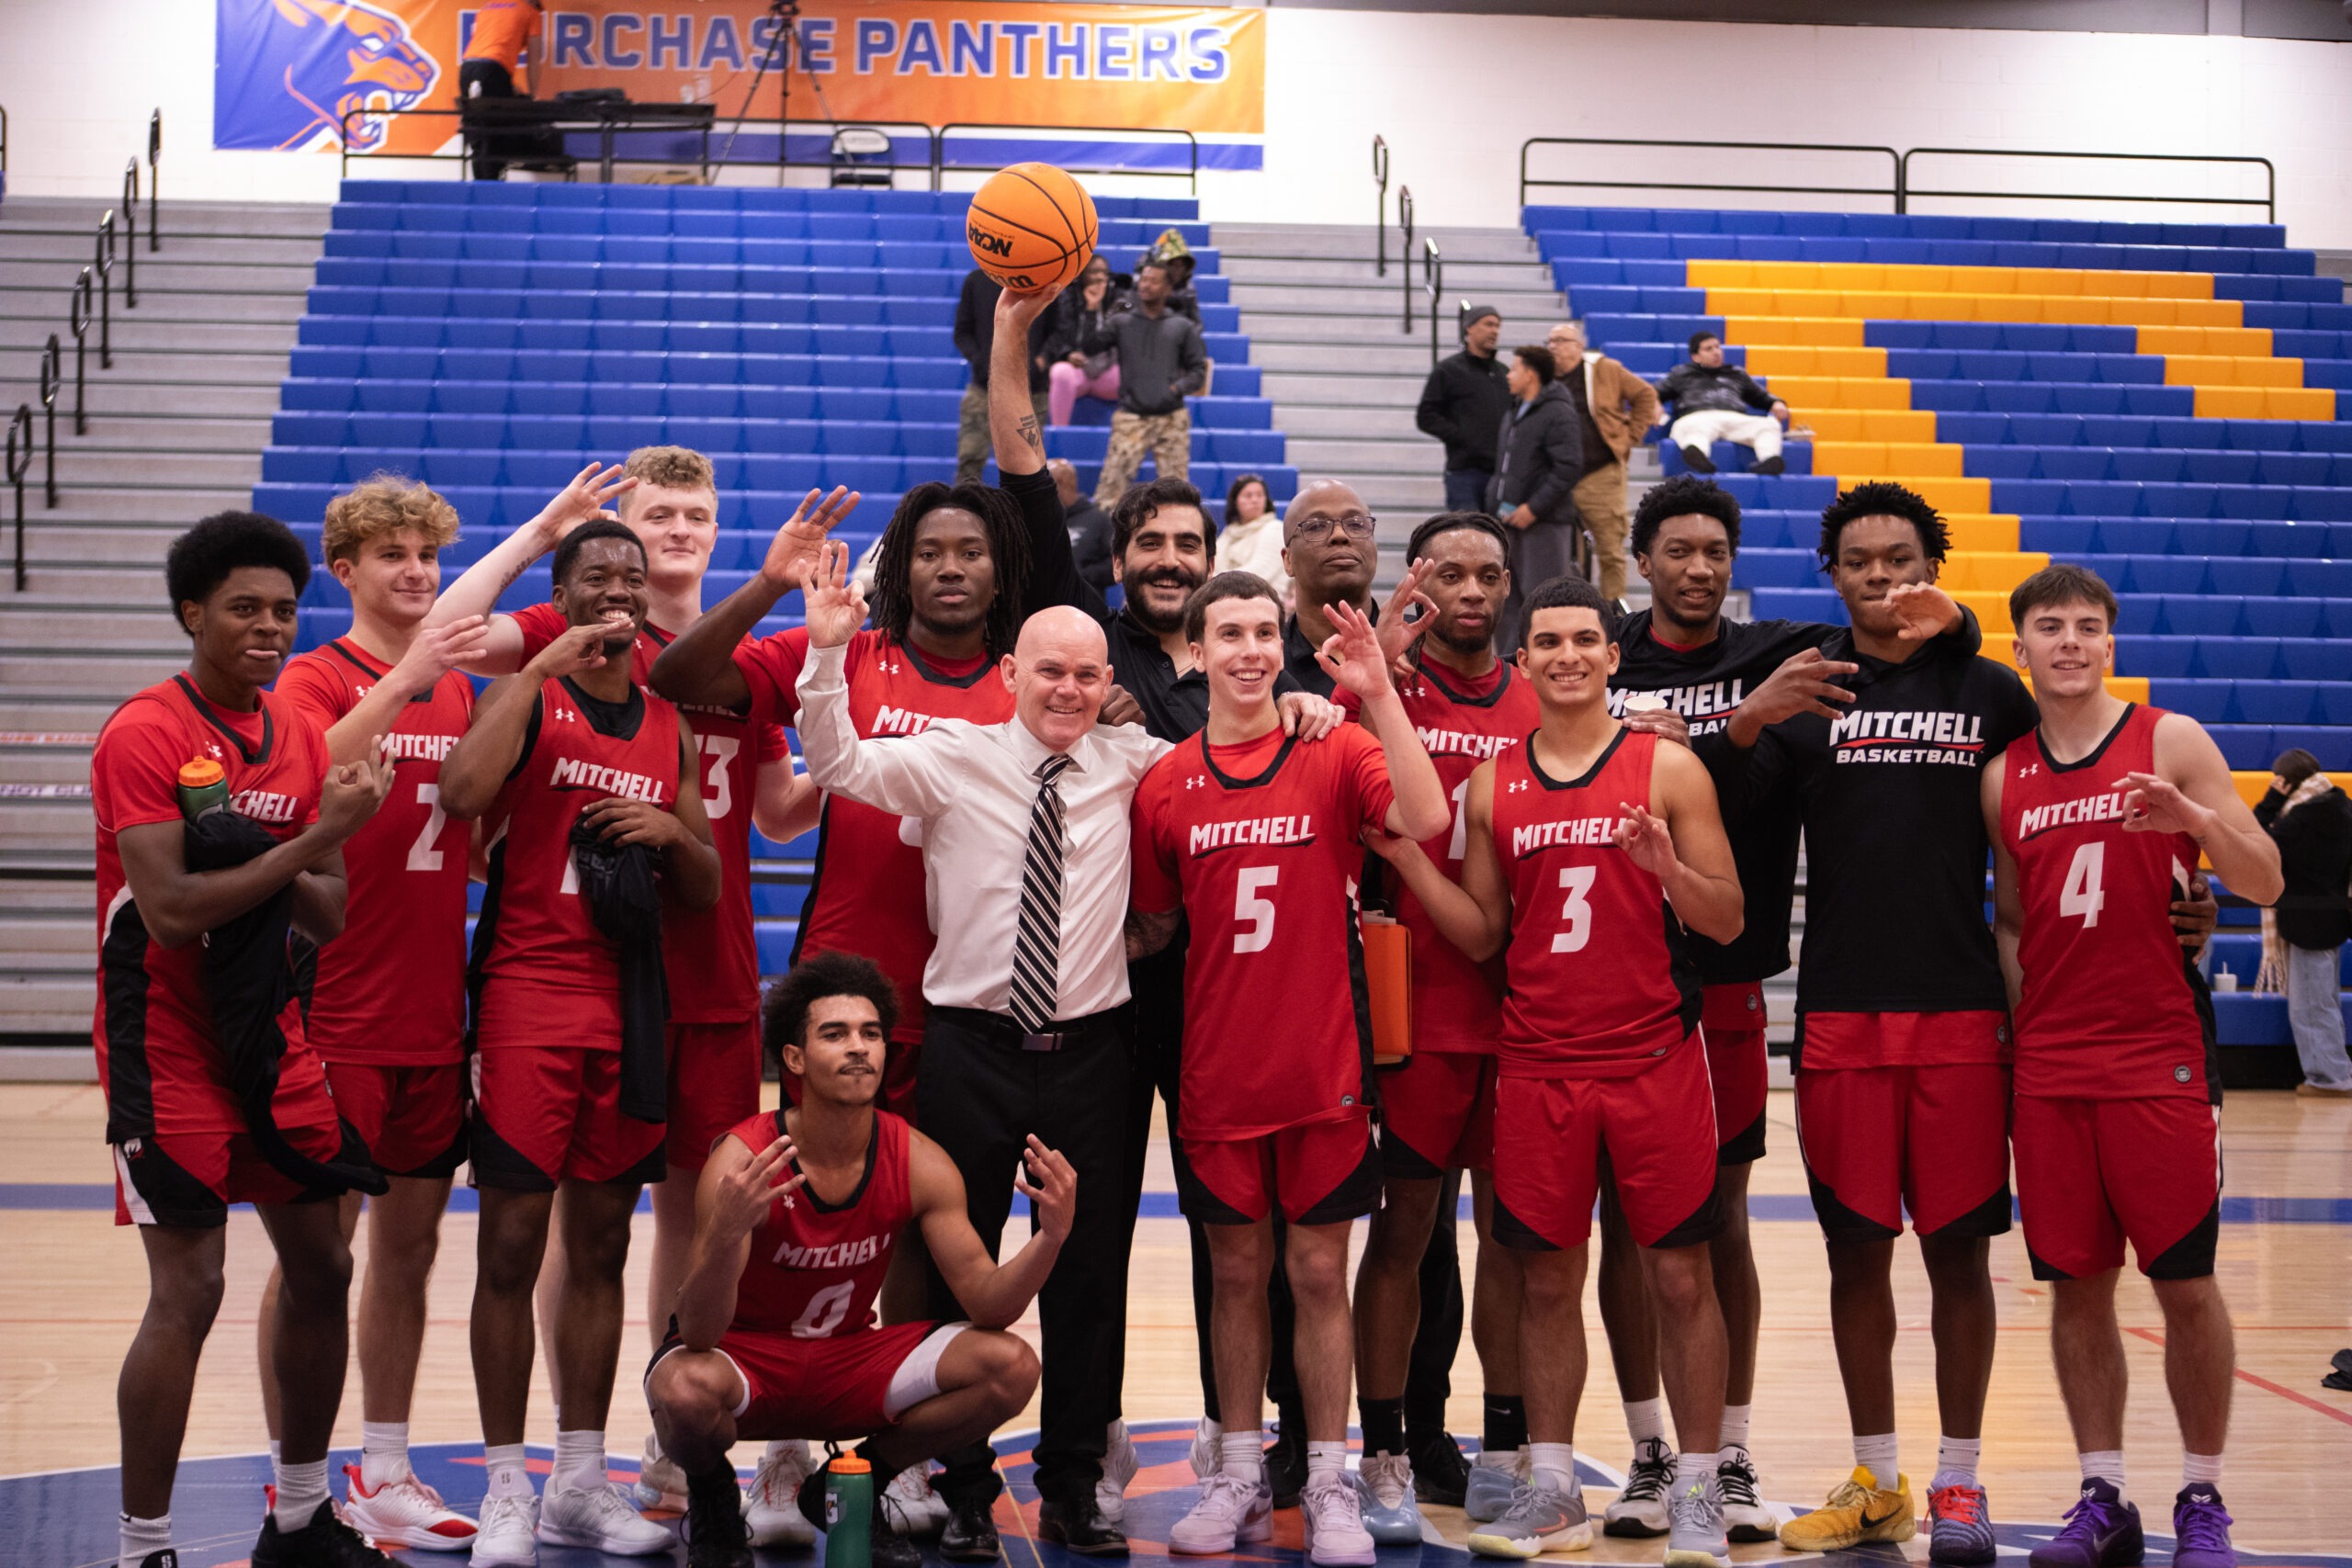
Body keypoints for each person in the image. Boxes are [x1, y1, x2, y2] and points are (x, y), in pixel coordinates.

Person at [421, 451, 824, 1530]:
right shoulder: (561, 654)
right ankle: (554, 1461)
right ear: (615, 540)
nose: (678, 531)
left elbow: (779, 810)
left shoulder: (736, 673)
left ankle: (654, 1448)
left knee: (686, 1224)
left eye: (696, 513)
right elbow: (448, 652)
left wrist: (854, 717)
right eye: (657, 515)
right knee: (547, 1230)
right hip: (569, 977)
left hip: (705, 973)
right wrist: (545, 532)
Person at [1594, 473, 1971, 1547]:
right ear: (1646, 559)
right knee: (1623, 1224)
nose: (1699, 566)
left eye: (1717, 550)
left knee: (1715, 1222)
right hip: (1608, 983)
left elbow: (1919, 631)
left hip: (1720, 984)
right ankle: (1649, 1452)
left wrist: (1968, 613)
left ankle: (1735, 1447)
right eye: (1679, 549)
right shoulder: (1601, 654)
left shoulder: (1783, 655)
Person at [787, 547, 1162, 1557]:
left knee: (1089, 1269)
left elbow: (1235, 767)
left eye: (1088, 674)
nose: (1069, 689)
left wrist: (1310, 710)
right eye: (1049, 670)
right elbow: (835, 764)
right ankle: (960, 1481)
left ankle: (1075, 1480)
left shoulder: (1134, 765)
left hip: (1089, 1053)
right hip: (969, 1046)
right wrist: (827, 655)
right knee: (957, 1272)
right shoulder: (953, 753)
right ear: (1009, 675)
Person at [1364, 573, 1745, 1567]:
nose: (1568, 655)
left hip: (1653, 1057)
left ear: (1613, 658)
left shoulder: (1666, 770)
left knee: (1678, 1275)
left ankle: (1699, 1488)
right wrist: (1411, 870)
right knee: (1543, 1280)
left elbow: (1729, 917)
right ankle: (1552, 1487)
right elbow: (1486, 934)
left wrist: (1668, 870)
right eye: (1550, 642)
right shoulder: (1493, 783)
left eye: (1586, 639)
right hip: (1537, 1066)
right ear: (1523, 662)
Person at [1722, 482, 2033, 1559]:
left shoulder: (1993, 690)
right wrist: (1749, 717)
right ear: (1831, 570)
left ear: (1931, 566)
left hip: (1960, 1012)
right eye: (1858, 559)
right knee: (1856, 1256)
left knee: (1958, 1257)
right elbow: (1722, 804)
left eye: (1900, 558)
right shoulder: (1809, 688)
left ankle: (1958, 1483)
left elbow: (2061, 802)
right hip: (1840, 1014)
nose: (1879, 576)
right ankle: (1878, 1477)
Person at [95, 511, 398, 1568]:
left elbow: (329, 913)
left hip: (272, 1035)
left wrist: (313, 850)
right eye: (244, 609)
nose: (270, 628)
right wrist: (317, 837)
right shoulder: (145, 732)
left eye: (283, 610)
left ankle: (304, 1519)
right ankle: (144, 1547)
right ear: (193, 614)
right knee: (193, 1289)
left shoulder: (302, 736)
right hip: (166, 1043)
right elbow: (173, 910)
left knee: (323, 1266)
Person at [1126, 571, 1450, 1565]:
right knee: (1234, 1274)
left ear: (1283, 644)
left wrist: (1380, 691)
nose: (1250, 650)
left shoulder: (1334, 746)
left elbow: (1428, 820)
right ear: (1198, 650)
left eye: (1264, 632)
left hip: (1325, 1071)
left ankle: (1325, 1478)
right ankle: (1233, 1471)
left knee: (1318, 1272)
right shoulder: (1165, 781)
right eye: (1229, 634)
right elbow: (1151, 927)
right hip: (1219, 1071)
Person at [437, 519, 721, 1567]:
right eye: (596, 576)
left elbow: (706, 886)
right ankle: (507, 1481)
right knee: (512, 1244)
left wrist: (672, 836)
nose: (618, 590)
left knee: (604, 1244)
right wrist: (538, 666)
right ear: (559, 596)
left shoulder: (665, 725)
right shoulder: (534, 695)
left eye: (632, 578)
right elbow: (461, 795)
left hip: (627, 1000)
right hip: (526, 994)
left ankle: (579, 1476)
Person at [1989, 564, 2281, 1568]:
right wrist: (2021, 1034)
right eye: (2047, 627)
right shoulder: (2005, 777)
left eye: (2086, 628)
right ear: (2017, 645)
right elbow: (2017, 925)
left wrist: (2191, 822)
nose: (2068, 642)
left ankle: (2201, 1497)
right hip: (2051, 1064)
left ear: (2109, 643)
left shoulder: (2172, 740)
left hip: (2157, 1054)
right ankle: (2101, 1492)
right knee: (2074, 1286)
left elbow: (2264, 879)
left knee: (2185, 1283)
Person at [644, 953, 1077, 1568]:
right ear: (794, 1058)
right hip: (750, 1359)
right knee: (681, 1386)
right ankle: (715, 1500)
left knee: (1009, 1366)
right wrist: (723, 1234)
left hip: (848, 1358)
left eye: (871, 1034)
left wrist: (1050, 1237)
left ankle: (861, 1478)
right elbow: (700, 1331)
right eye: (835, 1033)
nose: (859, 1048)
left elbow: (989, 1303)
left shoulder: (918, 1158)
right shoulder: (746, 1159)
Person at [264, 479, 492, 1551]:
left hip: (431, 1013)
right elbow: (303, 786)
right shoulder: (311, 680)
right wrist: (411, 674)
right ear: (343, 571)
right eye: (389, 554)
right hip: (335, 1015)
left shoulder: (459, 693)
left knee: (410, 1253)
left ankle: (388, 1464)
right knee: (318, 1261)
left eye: (425, 554)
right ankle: (293, 1475)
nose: (413, 570)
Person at [1346, 513, 1540, 1539]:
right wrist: (1372, 661)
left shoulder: (1535, 693)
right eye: (1450, 573)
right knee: (1405, 1233)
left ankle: (1503, 1442)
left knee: (1511, 1238)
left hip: (1524, 1005)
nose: (1470, 590)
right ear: (1421, 580)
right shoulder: (1386, 689)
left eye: (1488, 574)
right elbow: (1322, 752)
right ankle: (1381, 1448)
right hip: (1413, 999)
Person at [2256, 747, 2352, 1097]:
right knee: (2324, 1002)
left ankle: (2330, 1079)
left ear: (2286, 782)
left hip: (2307, 922)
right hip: (2332, 918)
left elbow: (2253, 841)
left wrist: (2269, 801)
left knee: (2310, 1006)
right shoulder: (2341, 805)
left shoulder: (2300, 819)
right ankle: (2335, 1071)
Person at [1543, 322, 1659, 602]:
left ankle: (1613, 616)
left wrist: (1629, 437)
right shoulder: (1544, 379)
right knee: (1567, 554)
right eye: (1550, 341)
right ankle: (1571, 608)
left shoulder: (1604, 369)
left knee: (1610, 550)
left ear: (1578, 347)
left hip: (1601, 473)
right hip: (1558, 477)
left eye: (1560, 340)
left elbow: (1646, 395)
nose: (1553, 346)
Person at [1085, 258, 1209, 506]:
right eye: (1143, 279)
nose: (1146, 285)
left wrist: (1175, 389)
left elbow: (1198, 370)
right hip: (1131, 416)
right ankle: (1106, 543)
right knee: (1109, 493)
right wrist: (1092, 309)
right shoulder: (1122, 322)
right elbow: (1090, 345)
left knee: (1178, 495)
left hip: (1171, 418)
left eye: (1153, 280)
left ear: (1167, 288)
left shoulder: (1181, 326)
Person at [1487, 347, 1586, 654]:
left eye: (1514, 369)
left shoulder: (1558, 412)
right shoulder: (1515, 410)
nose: (1508, 375)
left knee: (1544, 602)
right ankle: (1508, 668)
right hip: (1508, 521)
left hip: (1543, 523)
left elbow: (1569, 466)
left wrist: (1534, 507)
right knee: (1508, 602)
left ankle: (1550, 664)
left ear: (1530, 374)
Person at [954, 268, 1052, 486]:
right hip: (982, 387)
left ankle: (1024, 518)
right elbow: (962, 332)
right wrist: (981, 360)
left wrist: (1042, 359)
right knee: (970, 458)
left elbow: (1061, 331)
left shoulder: (1045, 277)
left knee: (1030, 466)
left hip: (1031, 392)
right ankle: (968, 510)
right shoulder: (976, 280)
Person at [1417, 306, 1513, 513]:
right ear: (1469, 328)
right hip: (1464, 473)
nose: (1494, 331)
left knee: (1497, 541)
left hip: (1498, 475)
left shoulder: (1504, 373)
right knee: (1467, 536)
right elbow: (1426, 416)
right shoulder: (1449, 369)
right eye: (1488, 324)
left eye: (1497, 326)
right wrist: (1462, 437)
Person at [1653, 334, 1788, 477]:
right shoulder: (1681, 374)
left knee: (1769, 424)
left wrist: (1776, 403)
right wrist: (1655, 404)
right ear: (1695, 357)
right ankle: (1698, 457)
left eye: (1717, 347)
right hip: (1697, 416)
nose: (1716, 352)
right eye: (1708, 349)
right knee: (1695, 429)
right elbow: (1652, 393)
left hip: (1734, 419)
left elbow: (1761, 396)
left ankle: (1770, 461)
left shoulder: (1737, 374)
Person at [458, 0, 543, 182]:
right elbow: (534, 59)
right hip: (493, 72)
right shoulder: (531, 12)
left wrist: (508, 86)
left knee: (478, 133)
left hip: (468, 69)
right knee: (498, 132)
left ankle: (480, 190)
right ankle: (491, 189)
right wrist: (533, 95)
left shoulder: (488, 7)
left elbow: (489, 51)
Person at [1046, 255, 1125, 426]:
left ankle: (1128, 437)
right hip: (1077, 369)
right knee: (1060, 372)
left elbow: (1121, 338)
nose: (1099, 277)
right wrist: (1066, 354)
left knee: (1135, 375)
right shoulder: (1066, 297)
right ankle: (1059, 433)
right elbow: (1058, 334)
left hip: (1107, 369)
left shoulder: (1119, 299)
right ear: (1082, 275)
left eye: (1104, 272)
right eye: (1094, 272)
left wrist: (1096, 308)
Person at [1213, 474, 1287, 605]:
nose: (1255, 500)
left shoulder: (1274, 528)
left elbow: (1258, 573)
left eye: (1260, 495)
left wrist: (1212, 582)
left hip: (1264, 603)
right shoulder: (1229, 532)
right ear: (1235, 501)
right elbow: (1213, 566)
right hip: (1225, 600)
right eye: (1248, 495)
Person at [1054, 459, 1116, 594]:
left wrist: (1082, 575)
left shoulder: (1099, 518)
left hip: (1087, 606)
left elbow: (1116, 564)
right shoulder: (1041, 519)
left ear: (1060, 483)